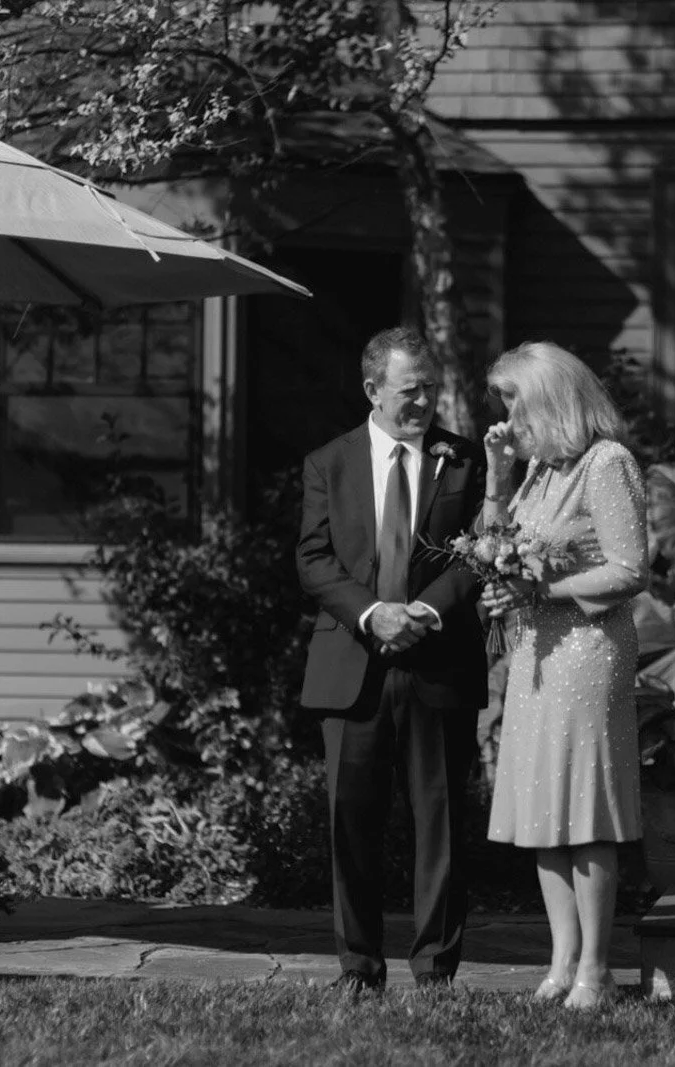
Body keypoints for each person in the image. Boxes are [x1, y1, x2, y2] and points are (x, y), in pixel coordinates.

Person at [296, 325, 488, 994]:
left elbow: (478, 555)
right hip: (352, 669)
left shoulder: (464, 460)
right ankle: (358, 968)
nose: (425, 401)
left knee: (440, 824)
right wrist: (375, 613)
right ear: (373, 389)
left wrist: (424, 612)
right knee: (351, 826)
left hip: (438, 666)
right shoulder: (329, 462)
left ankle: (435, 968)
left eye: (431, 387)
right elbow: (313, 560)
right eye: (411, 390)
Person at [479, 341, 649, 1010]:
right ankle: (561, 960)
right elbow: (493, 553)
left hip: (587, 652)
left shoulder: (607, 463)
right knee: (542, 810)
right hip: (533, 655)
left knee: (583, 809)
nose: (505, 414)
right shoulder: (536, 474)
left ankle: (597, 969)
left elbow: (630, 568)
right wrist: (496, 481)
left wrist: (539, 593)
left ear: (548, 398)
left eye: (512, 399)